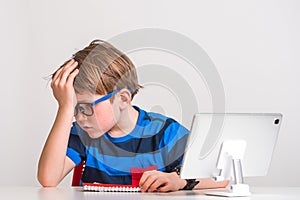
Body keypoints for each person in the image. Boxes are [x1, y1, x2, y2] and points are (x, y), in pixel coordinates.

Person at [37, 39, 228, 192]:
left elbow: (221, 176)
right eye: (74, 109)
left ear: (123, 98)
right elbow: (49, 178)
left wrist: (178, 180)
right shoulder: (83, 134)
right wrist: (64, 108)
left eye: (86, 107)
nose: (79, 117)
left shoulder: (164, 132)